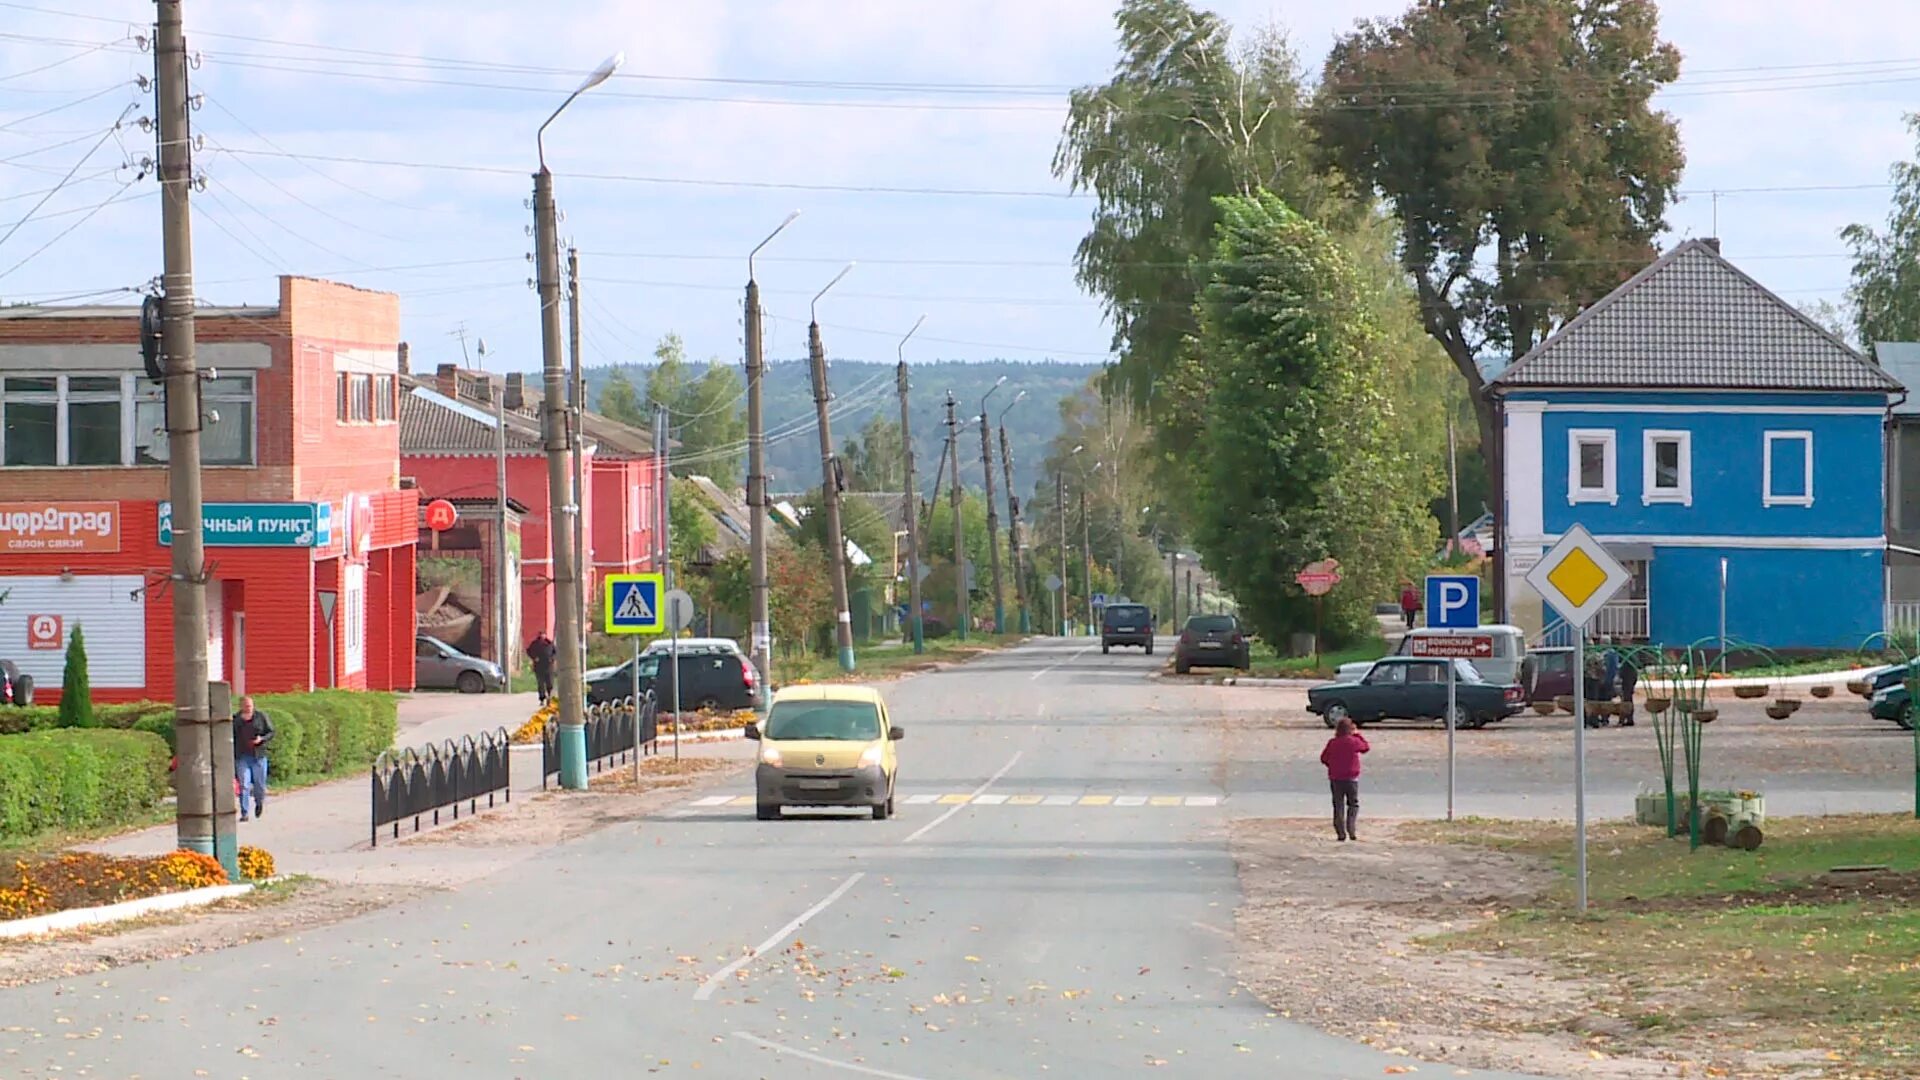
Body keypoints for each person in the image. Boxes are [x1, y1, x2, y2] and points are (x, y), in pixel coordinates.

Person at [1319, 716, 1371, 842]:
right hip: (1351, 777)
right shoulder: (1353, 741)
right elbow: (1365, 748)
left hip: (1336, 778)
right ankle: (1351, 828)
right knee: (1353, 803)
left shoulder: (1333, 742)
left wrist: (1332, 765)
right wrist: (1357, 734)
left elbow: (1324, 758)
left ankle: (1340, 833)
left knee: (1338, 805)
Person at [232, 695, 274, 821]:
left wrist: (261, 739)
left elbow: (271, 732)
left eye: (250, 706)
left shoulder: (261, 717)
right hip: (242, 757)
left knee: (259, 785)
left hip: (258, 756)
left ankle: (259, 803)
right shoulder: (236, 720)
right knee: (244, 784)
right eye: (246, 706)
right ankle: (244, 813)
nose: (249, 708)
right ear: (241, 706)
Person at [527, 631, 556, 704]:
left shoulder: (549, 643)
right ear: (539, 636)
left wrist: (552, 659)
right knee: (541, 684)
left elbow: (555, 652)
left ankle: (549, 696)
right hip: (539, 666)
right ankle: (542, 698)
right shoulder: (535, 644)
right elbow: (529, 651)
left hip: (548, 666)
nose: (543, 636)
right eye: (541, 635)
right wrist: (534, 657)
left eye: (544, 635)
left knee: (549, 683)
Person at [1617, 652, 1640, 727]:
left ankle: (1627, 718)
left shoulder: (1629, 656)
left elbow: (1625, 669)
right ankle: (1627, 718)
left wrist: (1620, 674)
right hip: (1629, 681)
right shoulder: (1632, 655)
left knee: (1626, 700)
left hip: (1628, 681)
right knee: (1627, 699)